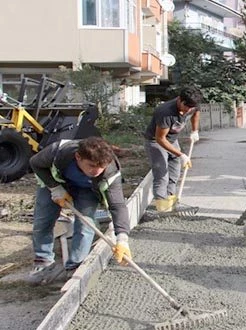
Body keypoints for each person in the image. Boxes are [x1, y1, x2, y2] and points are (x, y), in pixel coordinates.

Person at [27, 136, 132, 285]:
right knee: (43, 220)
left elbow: (118, 206)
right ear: (78, 157)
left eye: (101, 166)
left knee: (85, 223)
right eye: (91, 165)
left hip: (87, 190)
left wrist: (122, 239)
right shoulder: (59, 152)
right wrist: (54, 187)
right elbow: (35, 163)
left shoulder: (110, 172)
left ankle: (75, 267)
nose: (96, 171)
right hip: (56, 181)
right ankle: (43, 262)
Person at [143, 86, 203, 212]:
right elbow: (160, 139)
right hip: (155, 142)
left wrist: (195, 130)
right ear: (180, 100)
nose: (188, 111)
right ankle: (162, 208)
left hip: (172, 140)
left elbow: (196, 113)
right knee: (162, 174)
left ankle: (170, 201)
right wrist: (181, 154)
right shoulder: (165, 112)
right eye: (187, 108)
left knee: (175, 172)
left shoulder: (192, 105)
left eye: (191, 108)